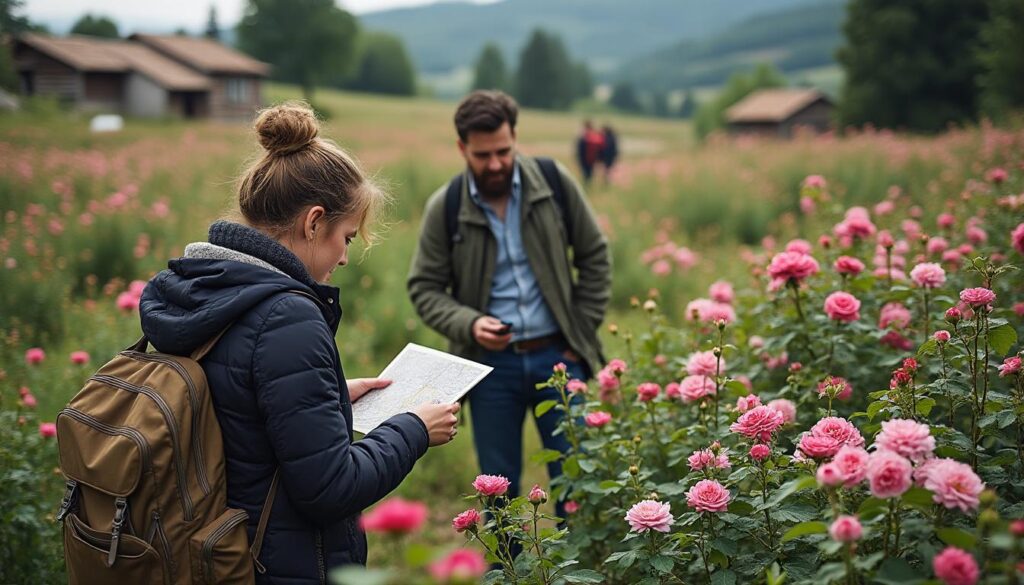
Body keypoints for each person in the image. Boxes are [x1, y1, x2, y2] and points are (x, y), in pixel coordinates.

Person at [139, 102, 460, 584]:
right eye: (347, 237)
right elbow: (330, 487)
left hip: (206, 548)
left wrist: (330, 399)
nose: (346, 257)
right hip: (272, 564)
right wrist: (413, 428)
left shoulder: (205, 287)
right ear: (313, 222)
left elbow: (237, 409)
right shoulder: (286, 318)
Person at [408, 90, 611, 519]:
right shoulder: (445, 206)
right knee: (498, 491)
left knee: (577, 480)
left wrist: (581, 333)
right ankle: (511, 573)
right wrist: (470, 323)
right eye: (483, 155)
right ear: (462, 147)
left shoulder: (553, 182)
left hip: (558, 357)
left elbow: (595, 257)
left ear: (515, 136)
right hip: (489, 368)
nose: (496, 163)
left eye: (504, 150)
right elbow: (424, 288)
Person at [575, 120, 605, 186]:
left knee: (586, 173)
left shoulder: (583, 136)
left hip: (584, 158)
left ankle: (587, 184)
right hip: (592, 158)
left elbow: (579, 148)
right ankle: (589, 184)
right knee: (590, 172)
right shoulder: (595, 135)